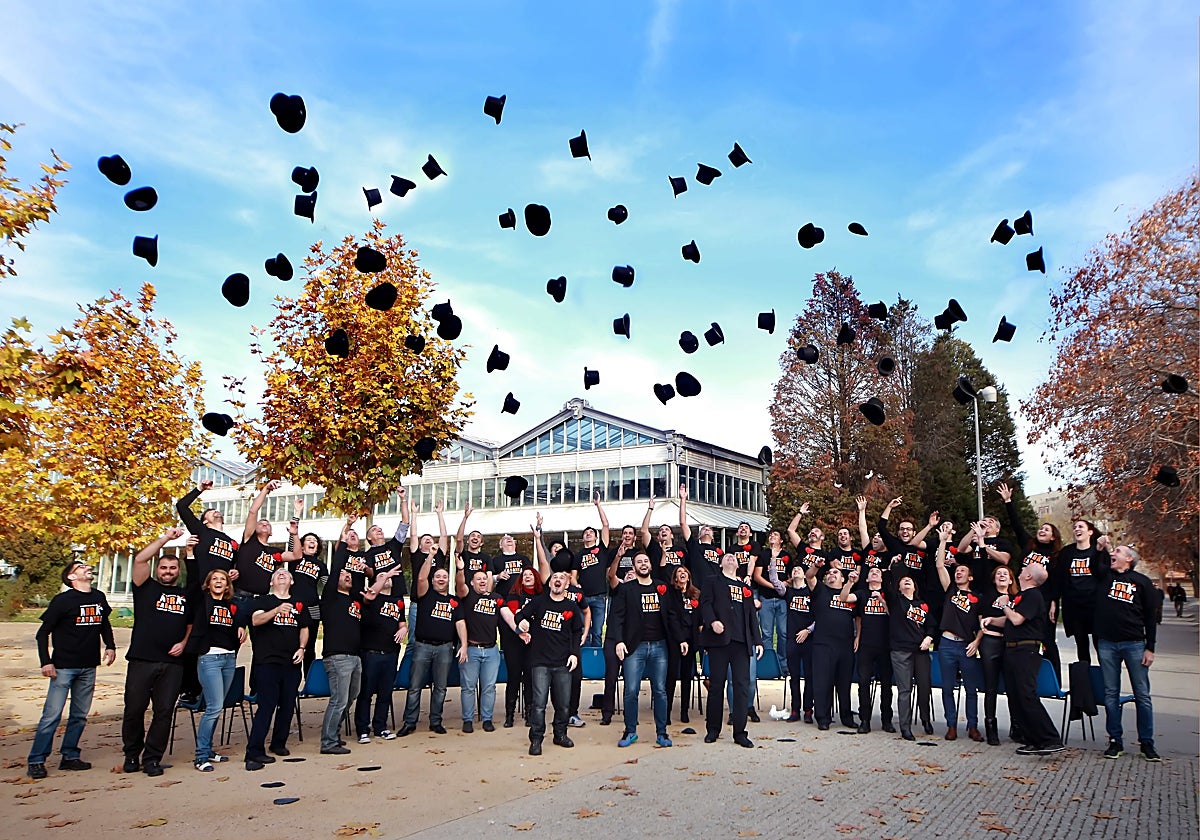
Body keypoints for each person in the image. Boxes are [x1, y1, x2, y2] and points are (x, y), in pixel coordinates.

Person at [27, 561, 117, 780]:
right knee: (52, 715)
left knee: (79, 715)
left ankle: (69, 755)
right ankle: (37, 760)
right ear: (71, 577)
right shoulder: (62, 601)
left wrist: (111, 645)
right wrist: (46, 662)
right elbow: (42, 634)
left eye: (87, 566)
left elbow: (104, 623)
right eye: (80, 567)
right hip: (63, 666)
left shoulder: (98, 597)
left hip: (89, 665)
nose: (87, 568)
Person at [122, 528, 192, 776]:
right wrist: (166, 540)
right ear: (157, 569)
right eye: (164, 567)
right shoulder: (145, 587)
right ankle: (131, 755)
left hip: (173, 663)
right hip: (142, 659)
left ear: (177, 572)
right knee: (134, 709)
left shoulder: (185, 595)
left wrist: (184, 642)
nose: (168, 572)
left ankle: (152, 758)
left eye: (172, 568)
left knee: (164, 712)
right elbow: (140, 559)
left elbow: (191, 624)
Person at [176, 478, 239, 704]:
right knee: (196, 636)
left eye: (217, 511)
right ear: (204, 520)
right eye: (212, 511)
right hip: (201, 589)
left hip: (222, 593)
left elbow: (238, 566)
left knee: (221, 636)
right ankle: (188, 689)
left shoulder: (232, 542)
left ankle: (214, 690)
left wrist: (235, 573)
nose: (216, 513)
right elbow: (181, 507)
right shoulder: (201, 532)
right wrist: (199, 490)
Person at [1095, 544, 1160, 761]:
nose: (1113, 554)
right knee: (1111, 694)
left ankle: (1147, 743)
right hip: (1107, 644)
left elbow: (1151, 617)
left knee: (1142, 695)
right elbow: (1097, 562)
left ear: (1129, 559)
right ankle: (1115, 741)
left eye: (1118, 552)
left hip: (1134, 644)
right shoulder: (1104, 576)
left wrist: (1150, 647)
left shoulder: (1141, 582)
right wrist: (1102, 548)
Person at [610, 552, 682, 748]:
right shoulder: (626, 589)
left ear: (651, 565)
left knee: (660, 690)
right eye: (639, 562)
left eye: (646, 561)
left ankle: (662, 733)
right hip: (635, 647)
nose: (643, 564)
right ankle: (630, 731)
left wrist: (681, 639)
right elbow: (617, 617)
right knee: (631, 690)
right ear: (634, 567)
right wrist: (619, 641)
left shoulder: (662, 587)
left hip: (660, 646)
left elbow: (672, 614)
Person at [996, 482, 1063, 683]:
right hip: (1023, 596)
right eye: (1041, 528)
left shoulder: (1056, 555)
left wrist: (1053, 601)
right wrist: (1008, 501)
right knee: (1017, 629)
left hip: (1043, 599)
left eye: (1047, 529)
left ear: (1053, 537)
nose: (1042, 531)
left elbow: (1057, 580)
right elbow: (1017, 524)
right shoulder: (1028, 545)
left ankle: (1054, 680)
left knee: (1047, 640)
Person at [245, 566, 309, 770]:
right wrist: (276, 610)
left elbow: (305, 628)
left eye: (286, 574)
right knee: (267, 706)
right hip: (268, 662)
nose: (282, 575)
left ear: (291, 581)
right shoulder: (263, 601)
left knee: (288, 705)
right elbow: (255, 620)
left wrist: (302, 648)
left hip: (291, 662)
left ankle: (278, 743)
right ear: (271, 582)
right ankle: (254, 750)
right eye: (277, 574)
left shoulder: (299, 604)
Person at [514, 570, 584, 755]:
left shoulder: (572, 606)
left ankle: (560, 734)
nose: (558, 580)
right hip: (540, 662)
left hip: (563, 662)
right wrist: (521, 626)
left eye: (562, 578)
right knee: (538, 703)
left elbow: (578, 632)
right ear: (550, 583)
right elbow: (519, 616)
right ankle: (536, 739)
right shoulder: (539, 602)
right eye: (555, 578)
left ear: (567, 585)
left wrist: (574, 654)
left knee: (563, 704)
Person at [998, 564, 1064, 755]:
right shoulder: (1023, 596)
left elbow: (1017, 619)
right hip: (1012, 650)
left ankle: (1050, 738)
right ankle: (1032, 739)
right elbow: (1011, 619)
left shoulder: (1034, 595)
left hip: (1025, 650)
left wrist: (1003, 604)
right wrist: (992, 621)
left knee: (1026, 695)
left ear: (1028, 576)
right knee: (1016, 696)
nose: (1021, 569)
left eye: (1024, 568)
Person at [399, 553, 467, 736]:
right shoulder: (425, 594)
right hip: (423, 646)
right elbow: (421, 577)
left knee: (440, 687)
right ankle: (410, 722)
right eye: (438, 576)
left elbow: (460, 623)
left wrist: (464, 645)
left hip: (445, 648)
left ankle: (436, 721)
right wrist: (429, 556)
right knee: (415, 687)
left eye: (444, 576)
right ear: (433, 579)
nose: (441, 579)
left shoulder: (454, 601)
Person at [700, 551, 763, 747]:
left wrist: (758, 641)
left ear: (738, 565)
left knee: (742, 687)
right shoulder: (712, 581)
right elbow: (705, 604)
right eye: (726, 557)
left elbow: (752, 615)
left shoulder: (745, 587)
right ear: (720, 564)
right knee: (717, 686)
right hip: (719, 641)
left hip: (741, 643)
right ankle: (713, 729)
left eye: (734, 558)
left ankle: (740, 732)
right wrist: (712, 622)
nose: (730, 558)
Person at [188, 568, 246, 771]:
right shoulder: (203, 600)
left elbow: (238, 621)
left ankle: (209, 750)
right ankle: (200, 756)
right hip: (209, 658)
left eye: (223, 579)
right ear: (209, 583)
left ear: (228, 585)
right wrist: (190, 555)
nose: (219, 581)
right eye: (215, 579)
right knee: (213, 707)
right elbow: (193, 580)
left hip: (228, 657)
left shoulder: (231, 605)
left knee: (218, 706)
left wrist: (240, 626)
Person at [934, 521, 984, 742]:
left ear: (970, 577)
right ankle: (951, 725)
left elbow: (984, 624)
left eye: (963, 571)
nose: (958, 573)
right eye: (957, 571)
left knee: (971, 689)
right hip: (945, 644)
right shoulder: (950, 589)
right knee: (947, 688)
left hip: (967, 645)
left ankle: (973, 726)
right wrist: (943, 542)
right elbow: (939, 566)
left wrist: (977, 642)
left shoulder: (978, 598)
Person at [318, 558, 369, 756]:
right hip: (338, 656)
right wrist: (345, 542)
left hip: (355, 656)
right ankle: (328, 742)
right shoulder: (331, 597)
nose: (347, 576)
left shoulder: (354, 600)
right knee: (339, 700)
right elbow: (336, 569)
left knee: (350, 697)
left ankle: (334, 734)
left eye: (349, 575)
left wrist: (357, 569)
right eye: (343, 574)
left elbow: (358, 580)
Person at [355, 567, 407, 742]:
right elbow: (370, 594)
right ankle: (363, 729)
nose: (387, 578)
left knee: (385, 693)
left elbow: (401, 622)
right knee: (366, 693)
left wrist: (404, 628)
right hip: (371, 653)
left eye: (388, 576)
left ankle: (380, 727)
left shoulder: (397, 601)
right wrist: (382, 579)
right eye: (381, 576)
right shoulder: (371, 598)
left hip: (390, 652)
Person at [806, 562, 859, 730]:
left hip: (845, 644)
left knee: (844, 683)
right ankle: (823, 717)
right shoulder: (820, 590)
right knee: (822, 682)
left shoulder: (851, 595)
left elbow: (859, 617)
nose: (831, 574)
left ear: (843, 578)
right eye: (829, 572)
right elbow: (809, 576)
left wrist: (858, 636)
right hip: (823, 644)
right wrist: (816, 566)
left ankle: (846, 716)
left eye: (836, 572)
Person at [600, 523, 640, 725]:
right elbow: (611, 575)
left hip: (632, 639)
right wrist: (617, 556)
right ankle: (606, 713)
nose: (631, 576)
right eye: (629, 575)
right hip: (613, 638)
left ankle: (630, 715)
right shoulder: (618, 588)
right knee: (611, 676)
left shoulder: (639, 593)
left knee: (631, 681)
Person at [887, 572, 935, 741]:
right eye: (903, 580)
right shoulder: (896, 601)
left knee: (924, 686)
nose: (906, 581)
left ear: (915, 587)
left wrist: (929, 637)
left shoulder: (922, 605)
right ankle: (905, 727)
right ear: (898, 588)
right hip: (900, 651)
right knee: (905, 689)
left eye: (910, 580)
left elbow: (932, 625)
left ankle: (925, 719)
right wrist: (893, 566)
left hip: (920, 651)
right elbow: (888, 582)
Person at [455, 568, 504, 733]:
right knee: (468, 687)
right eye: (478, 579)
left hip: (491, 650)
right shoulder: (468, 597)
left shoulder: (496, 598)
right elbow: (459, 584)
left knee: (489, 687)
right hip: (471, 649)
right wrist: (460, 569)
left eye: (485, 578)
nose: (482, 581)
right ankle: (468, 720)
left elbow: (508, 616)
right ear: (472, 583)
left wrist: (520, 630)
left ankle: (487, 719)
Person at [1054, 520, 1108, 664]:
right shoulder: (1067, 552)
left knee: (1100, 645)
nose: (1077, 529)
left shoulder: (1098, 551)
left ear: (1090, 532)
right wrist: (1054, 601)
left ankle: (1105, 680)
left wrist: (1101, 550)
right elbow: (1059, 578)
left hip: (1095, 605)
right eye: (1075, 527)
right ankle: (1085, 681)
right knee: (1081, 645)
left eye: (1081, 527)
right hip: (1075, 606)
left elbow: (1105, 574)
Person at [977, 564, 1017, 746]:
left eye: (1005, 574)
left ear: (1011, 580)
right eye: (998, 573)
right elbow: (983, 621)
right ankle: (990, 727)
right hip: (990, 643)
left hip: (1010, 644)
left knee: (1013, 687)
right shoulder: (987, 596)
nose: (1002, 575)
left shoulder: (1018, 598)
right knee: (991, 687)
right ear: (994, 579)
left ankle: (1017, 727)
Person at [854, 566, 894, 734]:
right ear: (867, 579)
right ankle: (865, 720)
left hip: (885, 645)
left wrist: (882, 601)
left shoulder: (889, 594)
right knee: (863, 683)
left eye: (878, 572)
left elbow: (895, 615)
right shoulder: (862, 594)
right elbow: (858, 617)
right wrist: (857, 636)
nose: (875, 573)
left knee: (886, 685)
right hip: (866, 645)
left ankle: (887, 720)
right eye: (871, 572)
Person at [500, 563, 540, 728]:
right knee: (514, 677)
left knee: (530, 677)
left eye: (531, 574)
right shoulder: (514, 595)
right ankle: (509, 714)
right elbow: (514, 616)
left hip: (534, 642)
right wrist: (521, 632)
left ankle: (530, 713)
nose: (528, 577)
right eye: (524, 575)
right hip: (514, 641)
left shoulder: (542, 596)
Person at [290, 498, 328, 673]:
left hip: (313, 606)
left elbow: (327, 585)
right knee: (293, 642)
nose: (312, 541)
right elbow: (292, 539)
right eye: (309, 539)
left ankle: (309, 682)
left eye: (315, 540)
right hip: (294, 604)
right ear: (303, 545)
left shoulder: (320, 565)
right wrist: (297, 514)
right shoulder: (296, 558)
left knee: (310, 645)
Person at [750, 528, 790, 680]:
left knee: (783, 633)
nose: (772, 537)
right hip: (766, 598)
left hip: (782, 600)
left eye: (776, 535)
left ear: (781, 540)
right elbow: (757, 576)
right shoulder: (764, 554)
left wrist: (784, 584)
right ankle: (768, 666)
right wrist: (774, 586)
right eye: (771, 535)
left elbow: (791, 576)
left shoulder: (786, 555)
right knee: (766, 634)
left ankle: (783, 666)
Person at [664, 565, 701, 725]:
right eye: (679, 572)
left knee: (687, 676)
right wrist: (680, 640)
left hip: (691, 639)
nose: (683, 574)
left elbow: (699, 617)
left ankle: (684, 711)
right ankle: (666, 712)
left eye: (685, 571)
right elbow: (671, 617)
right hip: (675, 640)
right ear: (675, 578)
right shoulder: (671, 594)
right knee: (671, 676)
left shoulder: (695, 594)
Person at [575, 492, 612, 648]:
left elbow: (605, 526)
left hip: (599, 597)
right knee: (584, 630)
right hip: (583, 597)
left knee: (597, 631)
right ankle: (583, 662)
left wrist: (598, 505)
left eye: (591, 532)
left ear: (596, 537)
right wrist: (575, 584)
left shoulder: (601, 549)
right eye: (586, 533)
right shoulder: (579, 555)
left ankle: (596, 663)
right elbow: (573, 575)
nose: (588, 534)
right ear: (583, 538)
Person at [783, 563, 815, 723]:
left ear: (804, 575)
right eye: (793, 569)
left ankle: (808, 710)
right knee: (794, 676)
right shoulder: (788, 592)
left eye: (799, 569)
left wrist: (808, 630)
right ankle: (795, 709)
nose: (796, 570)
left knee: (809, 676)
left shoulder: (811, 591)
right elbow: (775, 581)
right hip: (792, 638)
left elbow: (820, 615)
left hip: (809, 638)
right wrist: (774, 558)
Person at [679, 483, 723, 590]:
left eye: (710, 529)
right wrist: (683, 499)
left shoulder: (719, 551)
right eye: (703, 529)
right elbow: (683, 523)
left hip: (717, 588)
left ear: (713, 537)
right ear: (699, 536)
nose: (707, 529)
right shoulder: (694, 547)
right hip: (699, 587)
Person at [641, 496, 687, 581]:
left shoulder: (680, 550)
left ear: (672, 535)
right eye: (661, 530)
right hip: (659, 585)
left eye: (667, 529)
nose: (663, 531)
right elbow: (644, 531)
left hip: (677, 586)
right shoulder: (654, 547)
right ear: (658, 537)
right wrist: (650, 508)